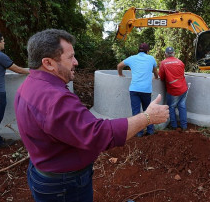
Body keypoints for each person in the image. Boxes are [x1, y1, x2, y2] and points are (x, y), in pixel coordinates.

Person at [14, 29, 169, 202]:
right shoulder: (54, 98)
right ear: (48, 63)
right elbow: (97, 134)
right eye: (70, 57)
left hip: (43, 174)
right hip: (65, 185)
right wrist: (147, 118)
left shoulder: (29, 85)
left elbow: (120, 66)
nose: (76, 62)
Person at [117, 43, 159, 137]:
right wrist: (156, 77)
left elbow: (119, 66)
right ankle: (150, 131)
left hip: (134, 89)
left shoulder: (131, 58)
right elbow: (155, 71)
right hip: (146, 90)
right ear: (147, 51)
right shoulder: (151, 58)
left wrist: (120, 74)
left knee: (136, 112)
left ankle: (139, 133)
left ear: (138, 50)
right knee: (148, 111)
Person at [159, 47, 188, 130]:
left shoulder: (163, 63)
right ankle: (184, 126)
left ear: (166, 54)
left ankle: (174, 126)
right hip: (183, 88)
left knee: (171, 107)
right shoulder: (180, 62)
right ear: (174, 53)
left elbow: (161, 77)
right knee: (182, 106)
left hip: (173, 90)